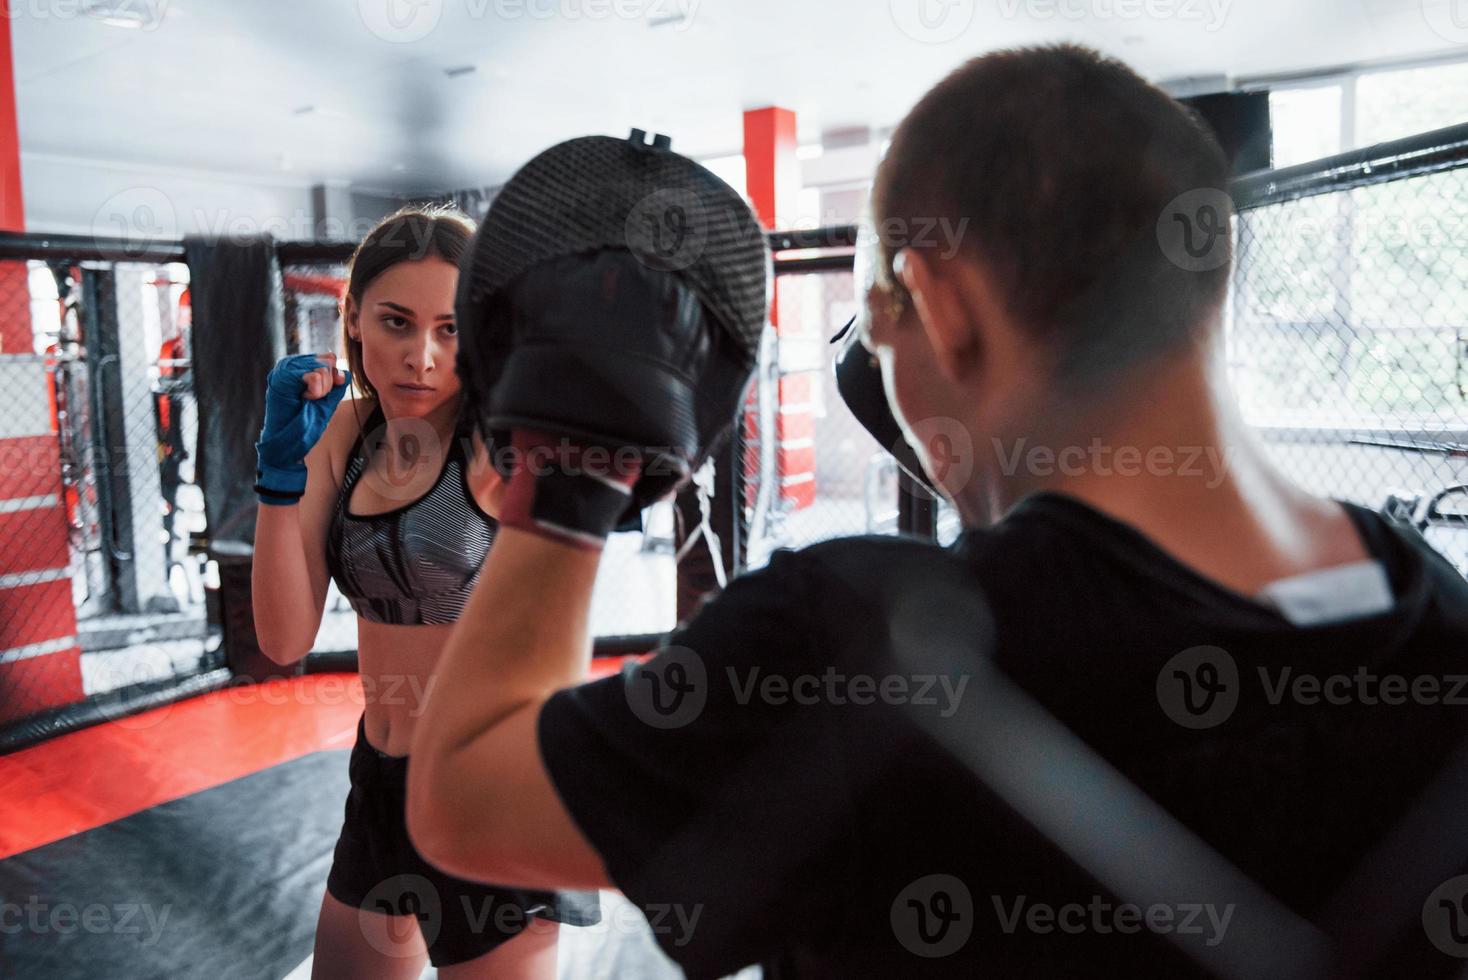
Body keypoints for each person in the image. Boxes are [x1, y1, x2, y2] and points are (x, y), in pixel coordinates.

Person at [406, 47, 1468, 979]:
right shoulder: (1437, 609)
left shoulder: (855, 642)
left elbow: (462, 798)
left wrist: (575, 464)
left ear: (942, 303)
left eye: (884, 323)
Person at [250, 205, 598, 980]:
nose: (423, 357)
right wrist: (278, 481)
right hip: (379, 781)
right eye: (397, 323)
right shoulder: (342, 433)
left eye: (451, 329)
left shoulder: (500, 445)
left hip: (493, 791)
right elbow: (282, 639)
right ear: (354, 319)